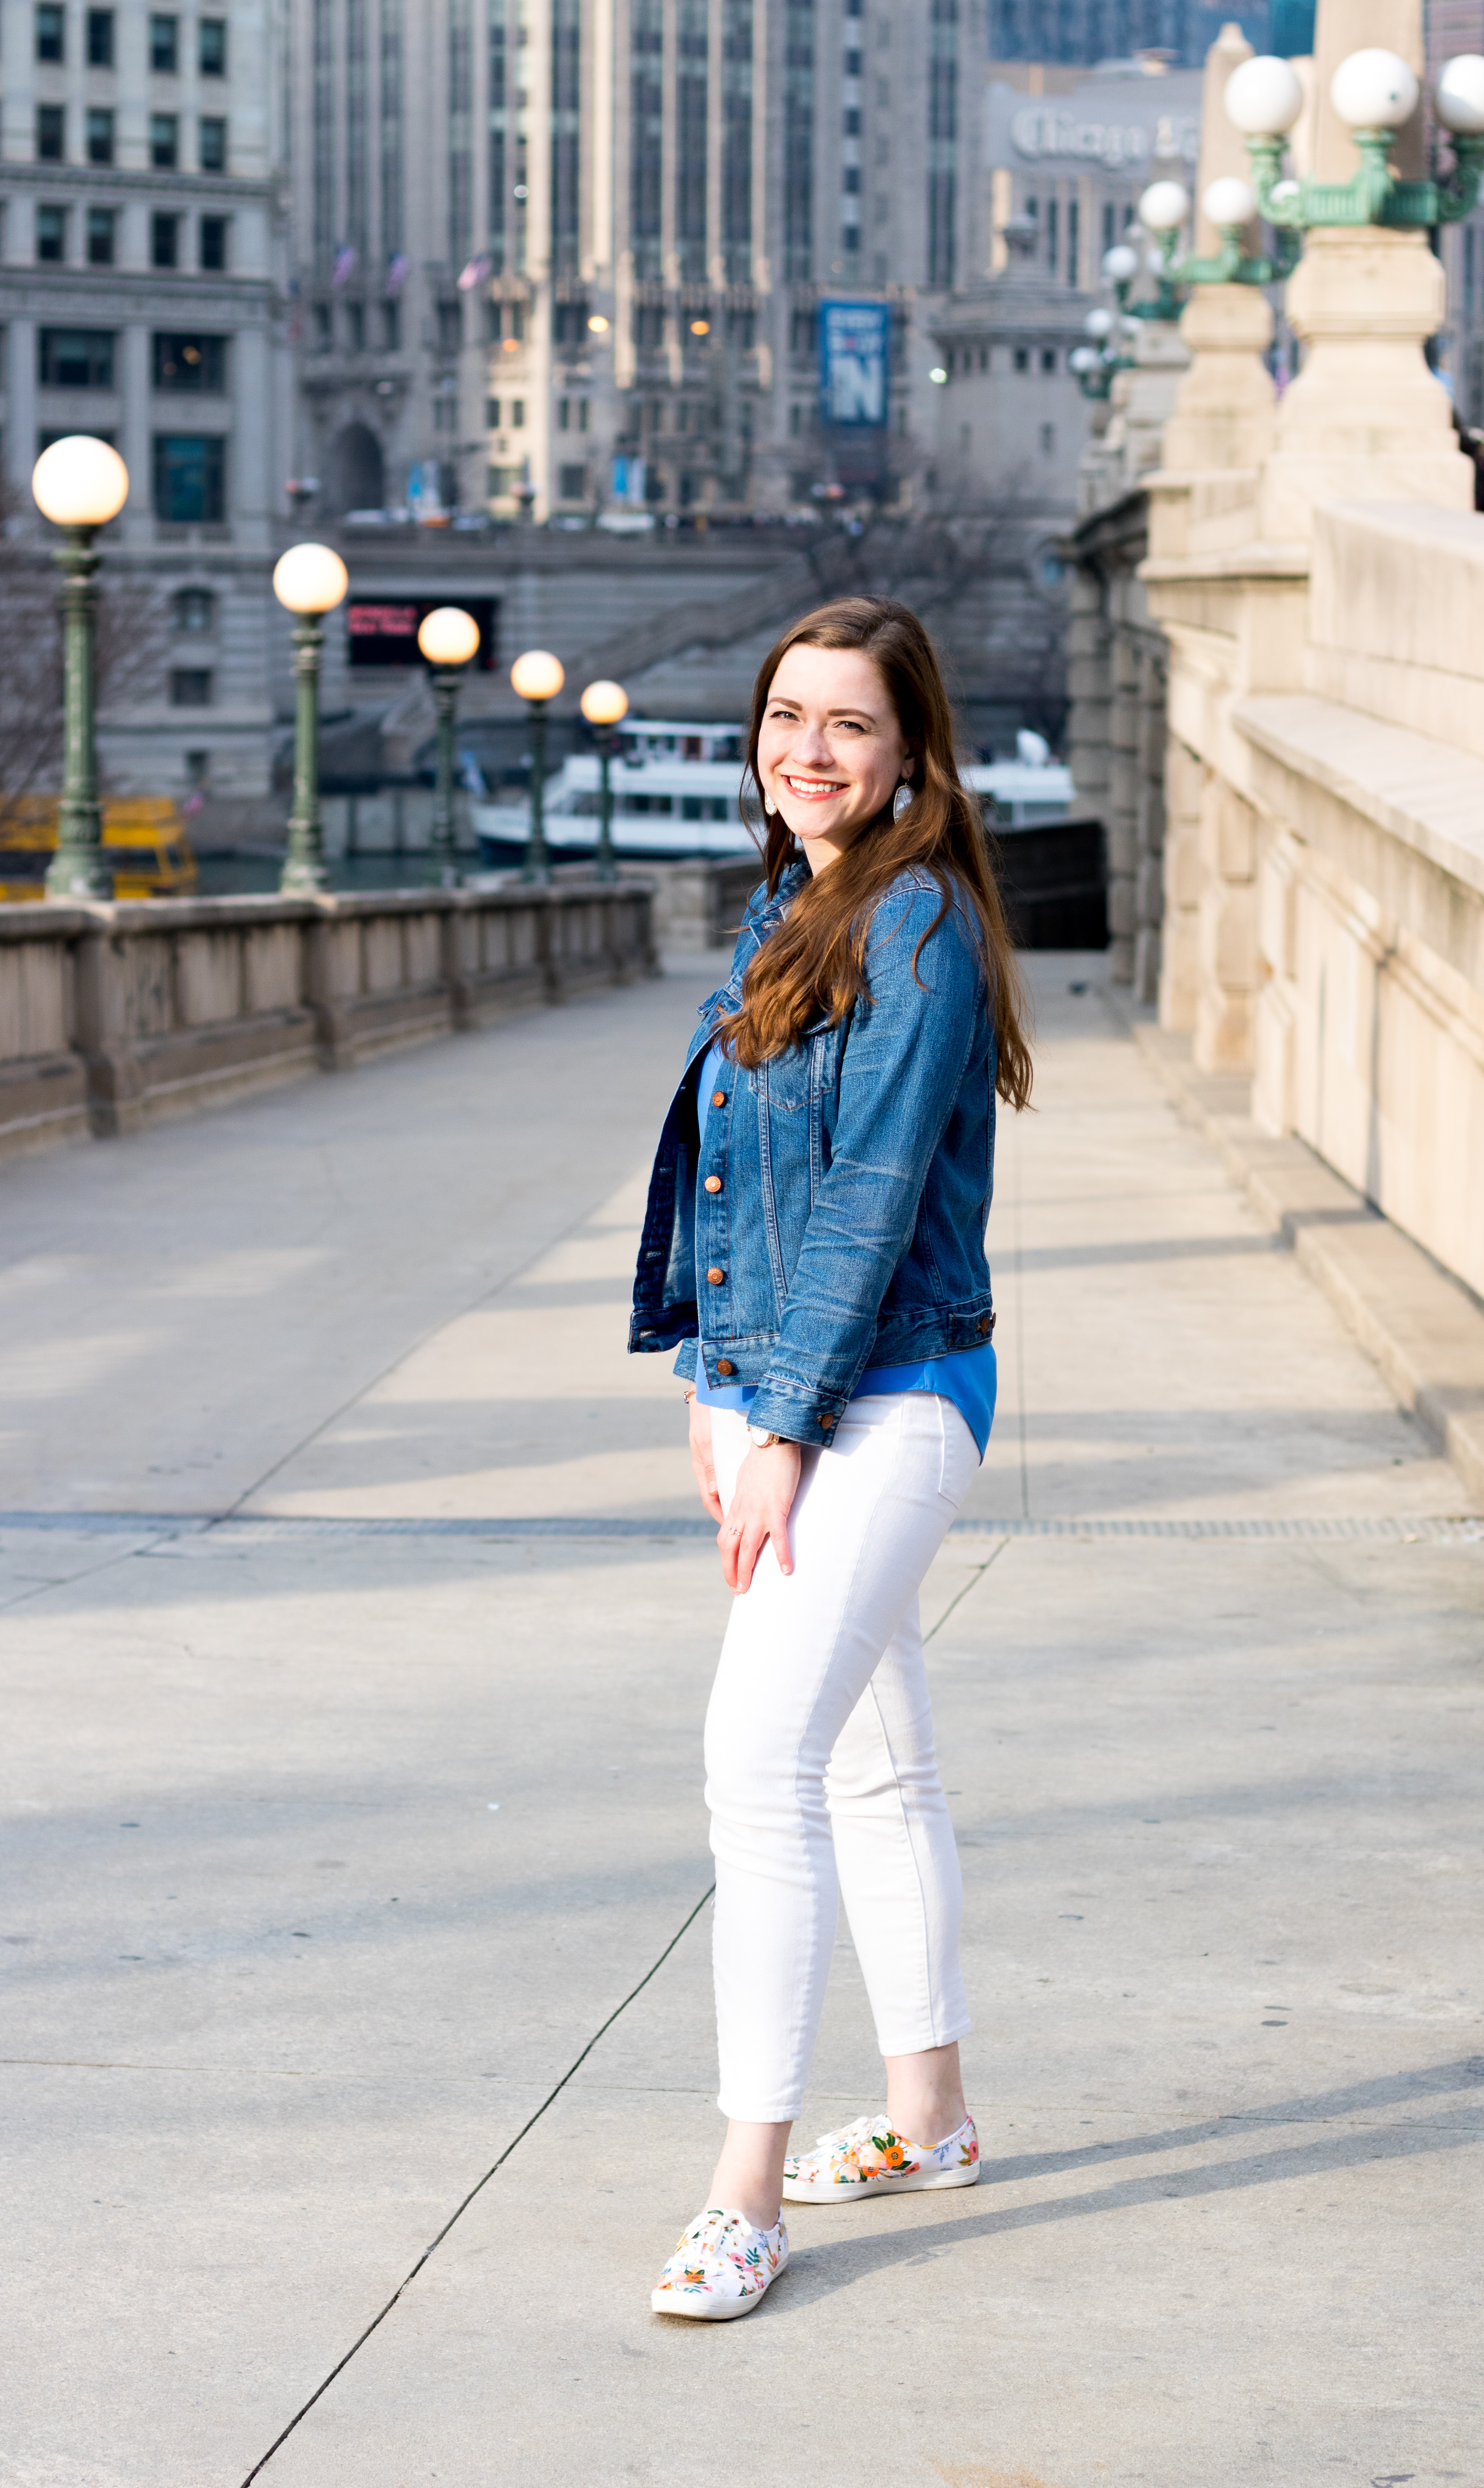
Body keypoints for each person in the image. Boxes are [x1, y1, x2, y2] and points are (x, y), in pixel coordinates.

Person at [628, 596, 1033, 2320]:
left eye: (847, 726)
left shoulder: (921, 921)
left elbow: (867, 1201)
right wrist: (710, 1383)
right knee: (875, 1764)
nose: (807, 750)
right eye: (786, 717)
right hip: (786, 1389)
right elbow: (743, 1187)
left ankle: (743, 2195)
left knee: (755, 1761)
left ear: (909, 753)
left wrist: (782, 1419)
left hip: (894, 1390)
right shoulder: (793, 905)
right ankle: (928, 2118)